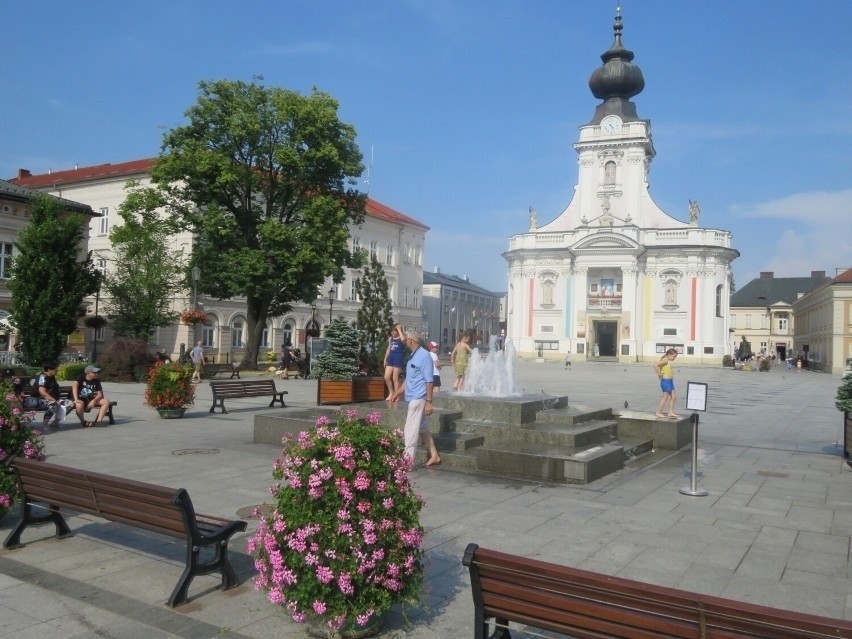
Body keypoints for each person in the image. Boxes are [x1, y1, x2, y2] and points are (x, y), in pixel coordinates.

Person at [391, 330, 440, 467]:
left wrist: (429, 402)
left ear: (411, 341)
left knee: (410, 430)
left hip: (418, 399)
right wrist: (397, 393)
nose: (405, 341)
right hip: (412, 397)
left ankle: (408, 462)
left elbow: (429, 381)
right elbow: (408, 380)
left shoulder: (424, 356)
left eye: (406, 339)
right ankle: (434, 455)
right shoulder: (413, 356)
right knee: (423, 429)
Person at [36, 361, 65, 430]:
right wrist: (55, 400)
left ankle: (55, 423)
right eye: (56, 369)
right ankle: (44, 425)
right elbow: (42, 392)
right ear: (49, 370)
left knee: (69, 403)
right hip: (40, 399)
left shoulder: (52, 377)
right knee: (53, 405)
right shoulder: (42, 377)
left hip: (53, 399)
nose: (57, 370)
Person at [653, 348, 680, 419]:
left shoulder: (667, 360)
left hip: (670, 382)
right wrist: (659, 374)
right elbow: (655, 365)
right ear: (669, 354)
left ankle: (670, 412)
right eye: (674, 356)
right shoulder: (665, 360)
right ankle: (658, 412)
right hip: (665, 381)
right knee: (665, 397)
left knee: (674, 397)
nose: (674, 358)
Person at [383, 323, 405, 401]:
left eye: (393, 331)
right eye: (391, 331)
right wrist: (385, 359)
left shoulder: (402, 337)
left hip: (398, 357)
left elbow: (403, 340)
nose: (392, 333)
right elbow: (389, 348)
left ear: (398, 331)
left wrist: (399, 329)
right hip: (391, 358)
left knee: (395, 378)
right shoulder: (391, 338)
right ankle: (391, 393)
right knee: (386, 377)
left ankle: (397, 395)